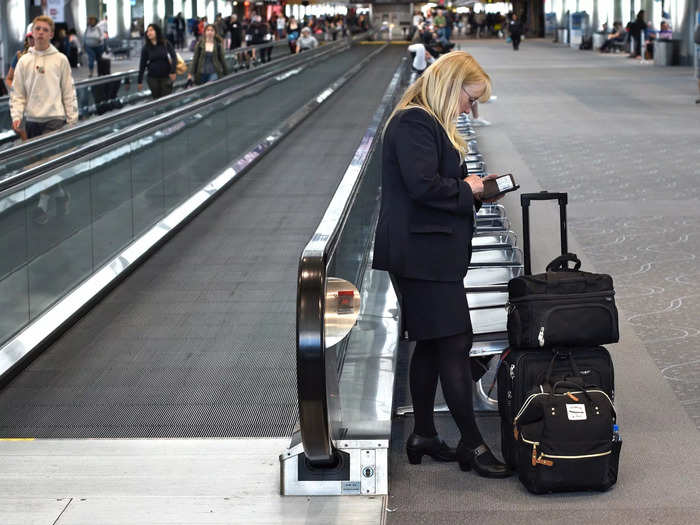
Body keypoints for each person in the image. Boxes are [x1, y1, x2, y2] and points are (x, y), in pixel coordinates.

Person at [372, 51, 512, 478]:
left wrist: (475, 190)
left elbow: (434, 183)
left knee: (432, 344)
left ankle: (425, 435)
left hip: (427, 252)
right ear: (450, 86)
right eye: (469, 98)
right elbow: (422, 185)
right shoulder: (415, 121)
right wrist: (467, 189)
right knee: (454, 343)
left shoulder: (427, 122)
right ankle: (473, 444)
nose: (471, 108)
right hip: (421, 256)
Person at [10, 15, 78, 139]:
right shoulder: (24, 61)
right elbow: (18, 93)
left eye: (45, 30)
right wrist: (17, 116)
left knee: (51, 158)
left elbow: (68, 91)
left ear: (51, 35)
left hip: (55, 119)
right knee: (35, 158)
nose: (41, 32)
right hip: (32, 120)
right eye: (38, 29)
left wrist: (72, 120)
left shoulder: (60, 59)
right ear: (33, 32)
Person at [137, 23, 177, 100]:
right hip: (152, 78)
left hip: (166, 77)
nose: (149, 32)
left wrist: (173, 71)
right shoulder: (146, 48)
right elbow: (142, 64)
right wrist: (139, 81)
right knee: (156, 100)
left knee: (166, 99)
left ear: (157, 31)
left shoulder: (166, 43)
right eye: (148, 31)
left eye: (151, 30)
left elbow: (174, 57)